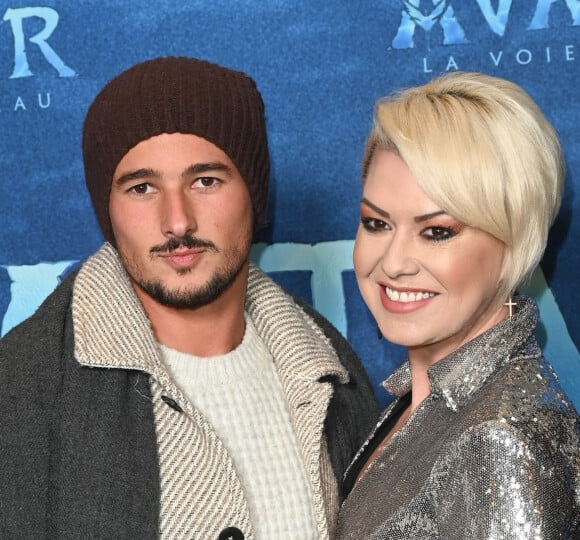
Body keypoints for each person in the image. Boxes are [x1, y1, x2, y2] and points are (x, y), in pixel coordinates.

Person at [0, 56, 378, 539]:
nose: (177, 222)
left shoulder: (330, 373)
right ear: (108, 211)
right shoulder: (23, 388)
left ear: (254, 196)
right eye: (141, 188)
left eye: (205, 181)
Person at [336, 71, 580, 539]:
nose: (393, 263)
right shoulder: (424, 402)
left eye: (437, 232)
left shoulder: (501, 438)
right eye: (376, 223)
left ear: (514, 242)